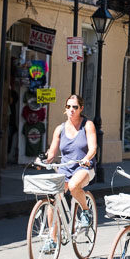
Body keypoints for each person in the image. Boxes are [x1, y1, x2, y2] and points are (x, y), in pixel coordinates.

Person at [43, 94, 97, 238]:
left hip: (84, 167)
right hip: (65, 167)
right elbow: (52, 152)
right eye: (68, 107)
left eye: (75, 107)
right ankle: (52, 239)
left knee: (73, 186)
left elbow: (93, 148)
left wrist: (86, 159)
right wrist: (43, 160)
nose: (71, 110)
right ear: (65, 109)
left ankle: (85, 211)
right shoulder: (59, 129)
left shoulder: (87, 125)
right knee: (52, 200)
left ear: (81, 108)